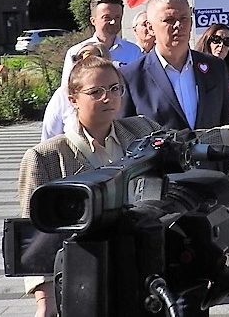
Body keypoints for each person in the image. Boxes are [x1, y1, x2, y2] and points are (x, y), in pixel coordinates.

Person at [19, 56, 164, 317]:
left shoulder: (143, 131)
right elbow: (35, 234)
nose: (108, 98)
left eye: (114, 89)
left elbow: (188, 144)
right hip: (83, 275)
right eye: (96, 92)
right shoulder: (47, 157)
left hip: (142, 269)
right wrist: (45, 298)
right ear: (73, 98)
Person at [120, 0, 229, 159]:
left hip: (212, 177)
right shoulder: (131, 76)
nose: (178, 25)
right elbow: (126, 140)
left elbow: (225, 125)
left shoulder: (214, 67)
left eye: (184, 19)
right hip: (162, 178)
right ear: (151, 27)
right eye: (169, 20)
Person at [61, 0, 142, 85]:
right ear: (93, 21)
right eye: (107, 18)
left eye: (117, 17)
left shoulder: (133, 51)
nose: (113, 22)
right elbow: (67, 88)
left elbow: (139, 84)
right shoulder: (76, 52)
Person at [41, 43, 111, 141]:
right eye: (78, 57)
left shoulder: (118, 92)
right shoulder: (63, 94)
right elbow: (49, 135)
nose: (83, 61)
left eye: (91, 58)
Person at [195, 24, 229, 121]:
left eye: (227, 41)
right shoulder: (192, 68)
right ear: (208, 41)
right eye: (216, 39)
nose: (221, 45)